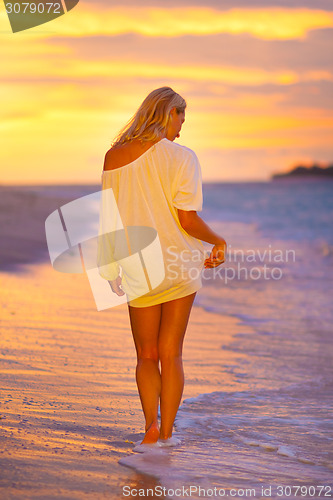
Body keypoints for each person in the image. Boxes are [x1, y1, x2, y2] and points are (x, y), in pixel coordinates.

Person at [99, 87, 226, 447]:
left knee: (146, 355)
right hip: (179, 265)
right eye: (180, 118)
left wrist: (110, 270)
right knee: (171, 354)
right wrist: (219, 241)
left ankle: (150, 429)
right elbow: (187, 219)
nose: (181, 127)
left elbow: (109, 220)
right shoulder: (183, 157)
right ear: (169, 112)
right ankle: (168, 433)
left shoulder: (113, 157)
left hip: (139, 266)